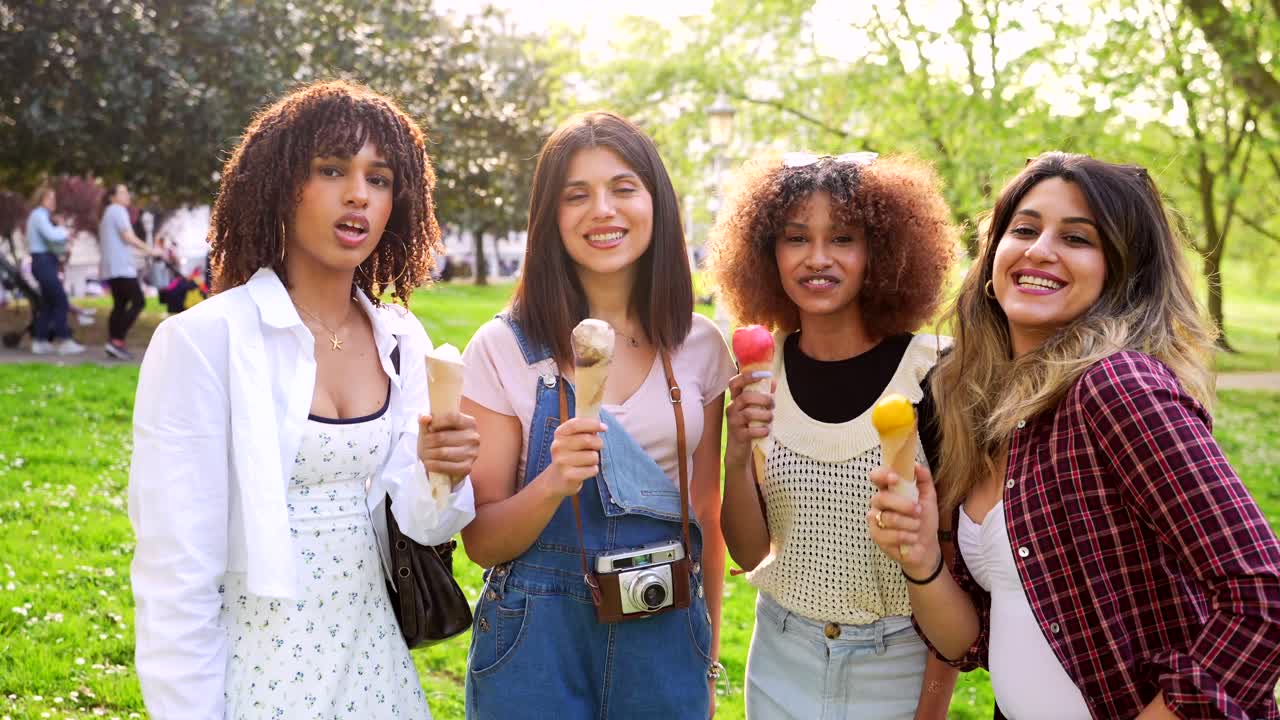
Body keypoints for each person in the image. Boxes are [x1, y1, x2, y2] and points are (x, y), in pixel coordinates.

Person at [868, 152, 1280, 720]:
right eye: (1025, 229)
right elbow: (969, 641)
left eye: (1078, 238)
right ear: (993, 257)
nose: (1040, 250)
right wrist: (919, 557)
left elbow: (1260, 595)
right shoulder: (981, 410)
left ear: (1122, 270)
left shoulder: (1115, 388)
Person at [129, 80, 479, 719]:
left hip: (376, 665)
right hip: (259, 670)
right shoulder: (205, 341)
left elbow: (427, 528)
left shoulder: (401, 337)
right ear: (280, 182)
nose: (357, 194)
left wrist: (443, 470)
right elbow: (175, 572)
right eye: (331, 169)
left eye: (380, 178)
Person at [459, 111, 734, 718]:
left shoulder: (699, 346)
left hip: (666, 637)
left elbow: (707, 513)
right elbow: (481, 541)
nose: (602, 210)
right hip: (536, 643)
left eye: (623, 188)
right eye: (575, 195)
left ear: (656, 202)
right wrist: (555, 480)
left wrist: (706, 655)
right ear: (549, 219)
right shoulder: (504, 349)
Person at [704, 151, 960, 719]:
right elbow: (749, 552)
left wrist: (931, 710)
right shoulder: (757, 373)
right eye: (796, 238)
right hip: (778, 656)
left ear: (882, 252)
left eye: (843, 238)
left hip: (896, 663)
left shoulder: (935, 374)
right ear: (768, 253)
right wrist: (738, 451)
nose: (817, 258)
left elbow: (952, 561)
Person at [99, 183, 162, 360]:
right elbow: (128, 237)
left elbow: (122, 242)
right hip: (121, 268)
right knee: (138, 301)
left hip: (112, 268)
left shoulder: (108, 213)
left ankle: (113, 342)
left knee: (119, 305)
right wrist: (150, 250)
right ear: (112, 197)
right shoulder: (117, 211)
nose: (127, 195)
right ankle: (116, 341)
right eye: (123, 192)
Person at [25, 185, 85, 355]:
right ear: (41, 199)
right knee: (60, 300)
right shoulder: (38, 215)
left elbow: (54, 242)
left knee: (48, 303)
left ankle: (40, 340)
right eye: (50, 198)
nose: (53, 202)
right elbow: (52, 235)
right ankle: (64, 339)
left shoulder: (43, 216)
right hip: (42, 262)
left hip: (46, 261)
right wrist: (63, 229)